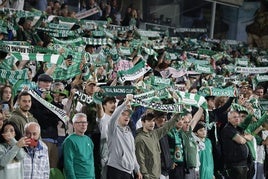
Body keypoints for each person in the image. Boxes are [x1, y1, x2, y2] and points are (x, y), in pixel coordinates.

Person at [135, 111, 180, 179]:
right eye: (149, 121)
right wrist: (146, 176)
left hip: (157, 175)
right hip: (149, 177)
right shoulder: (140, 139)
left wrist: (178, 114)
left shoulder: (155, 134)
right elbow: (140, 160)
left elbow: (167, 127)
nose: (152, 123)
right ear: (143, 122)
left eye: (153, 121)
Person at [106, 94, 142, 179]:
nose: (126, 116)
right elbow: (113, 117)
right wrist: (125, 103)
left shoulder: (129, 131)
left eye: (128, 115)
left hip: (129, 172)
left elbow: (132, 153)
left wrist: (137, 169)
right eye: (123, 114)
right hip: (116, 170)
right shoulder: (112, 129)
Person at [29, 73, 60, 168]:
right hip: (41, 137)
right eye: (45, 81)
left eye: (49, 82)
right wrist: (42, 102)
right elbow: (38, 116)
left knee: (53, 169)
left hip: (54, 138)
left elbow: (57, 117)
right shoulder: (32, 96)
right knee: (41, 167)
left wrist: (55, 102)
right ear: (38, 82)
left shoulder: (52, 97)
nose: (48, 84)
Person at [62, 113, 95, 179]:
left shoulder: (89, 140)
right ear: (74, 125)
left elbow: (91, 161)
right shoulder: (70, 140)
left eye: (85, 122)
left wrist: (93, 176)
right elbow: (68, 164)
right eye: (80, 122)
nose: (83, 125)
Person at [221, 110, 249, 179]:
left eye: (238, 117)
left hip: (243, 164)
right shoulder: (227, 129)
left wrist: (244, 137)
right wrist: (245, 138)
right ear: (229, 119)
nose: (237, 118)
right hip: (234, 165)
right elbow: (241, 140)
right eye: (234, 117)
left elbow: (248, 137)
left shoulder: (238, 129)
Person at [96, 96, 116, 179]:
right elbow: (99, 110)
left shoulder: (117, 118)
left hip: (116, 153)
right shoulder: (103, 117)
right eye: (110, 103)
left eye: (114, 103)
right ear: (104, 105)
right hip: (106, 153)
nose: (113, 105)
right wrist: (97, 99)